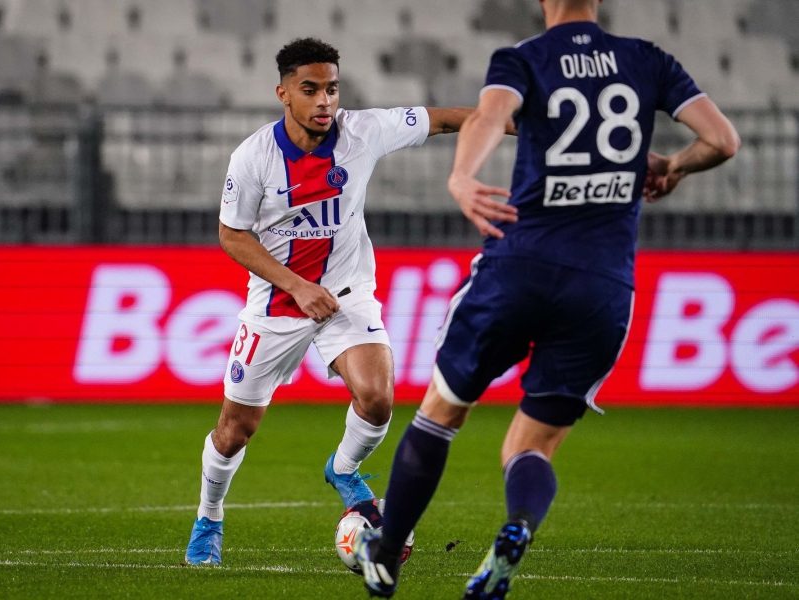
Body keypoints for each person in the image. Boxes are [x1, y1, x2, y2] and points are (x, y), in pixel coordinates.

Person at [354, 0, 740, 597]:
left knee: (443, 411)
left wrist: (462, 176)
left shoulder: (523, 58)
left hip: (521, 266)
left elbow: (489, 115)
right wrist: (674, 166)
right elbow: (722, 140)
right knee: (532, 444)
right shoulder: (647, 60)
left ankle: (385, 553)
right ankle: (516, 527)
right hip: (604, 286)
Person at [182, 37, 479, 566]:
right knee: (234, 432)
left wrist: (511, 120)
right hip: (276, 305)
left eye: (333, 89)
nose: (325, 101)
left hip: (346, 295)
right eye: (311, 89)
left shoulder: (363, 132)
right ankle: (209, 516)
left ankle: (343, 469)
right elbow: (232, 235)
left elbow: (445, 120)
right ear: (284, 94)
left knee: (377, 396)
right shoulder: (253, 158)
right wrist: (296, 285)